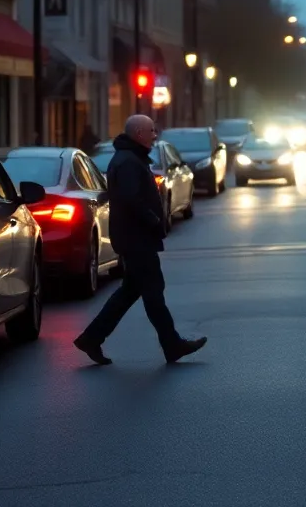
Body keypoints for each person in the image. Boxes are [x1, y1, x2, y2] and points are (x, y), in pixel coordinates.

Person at [74, 114, 208, 364]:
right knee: (153, 292)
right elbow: (130, 199)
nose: (155, 136)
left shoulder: (131, 159)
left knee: (129, 292)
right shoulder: (128, 162)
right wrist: (154, 220)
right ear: (138, 134)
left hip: (134, 238)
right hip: (136, 240)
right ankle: (172, 344)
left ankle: (91, 337)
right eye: (151, 131)